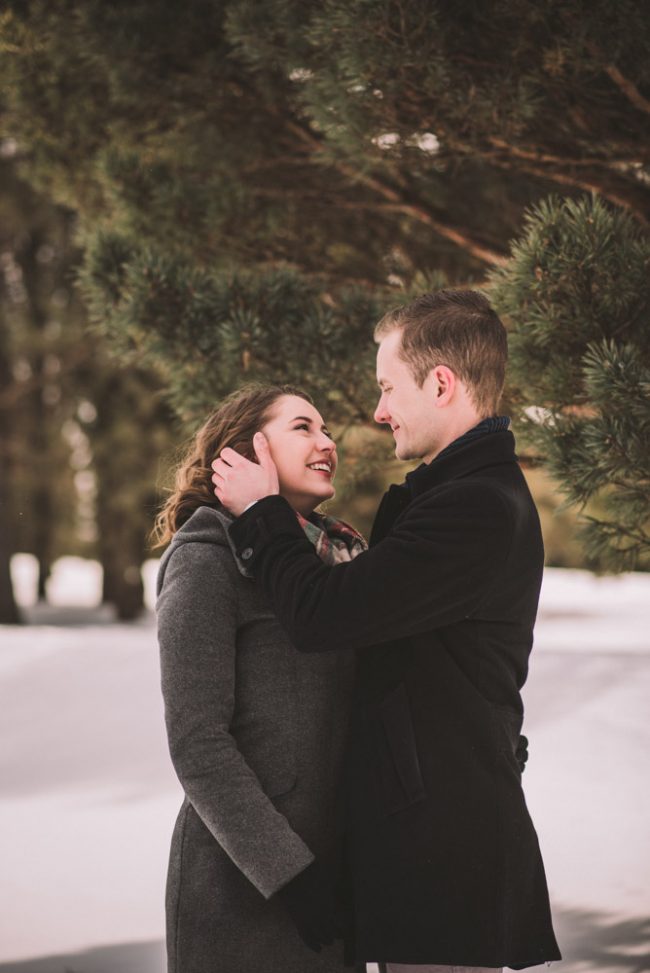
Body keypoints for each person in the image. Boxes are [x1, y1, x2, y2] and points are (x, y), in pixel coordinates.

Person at [211, 290, 562, 973]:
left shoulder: (475, 508)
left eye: (387, 387)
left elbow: (324, 615)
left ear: (441, 383)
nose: (378, 412)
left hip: (447, 856)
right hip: (428, 841)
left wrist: (261, 512)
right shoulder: (455, 496)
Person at [155, 384, 366, 973]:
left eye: (328, 431)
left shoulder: (336, 563)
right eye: (303, 427)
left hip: (336, 878)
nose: (327, 443)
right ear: (247, 450)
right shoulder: (205, 560)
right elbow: (198, 743)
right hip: (242, 889)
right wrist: (287, 872)